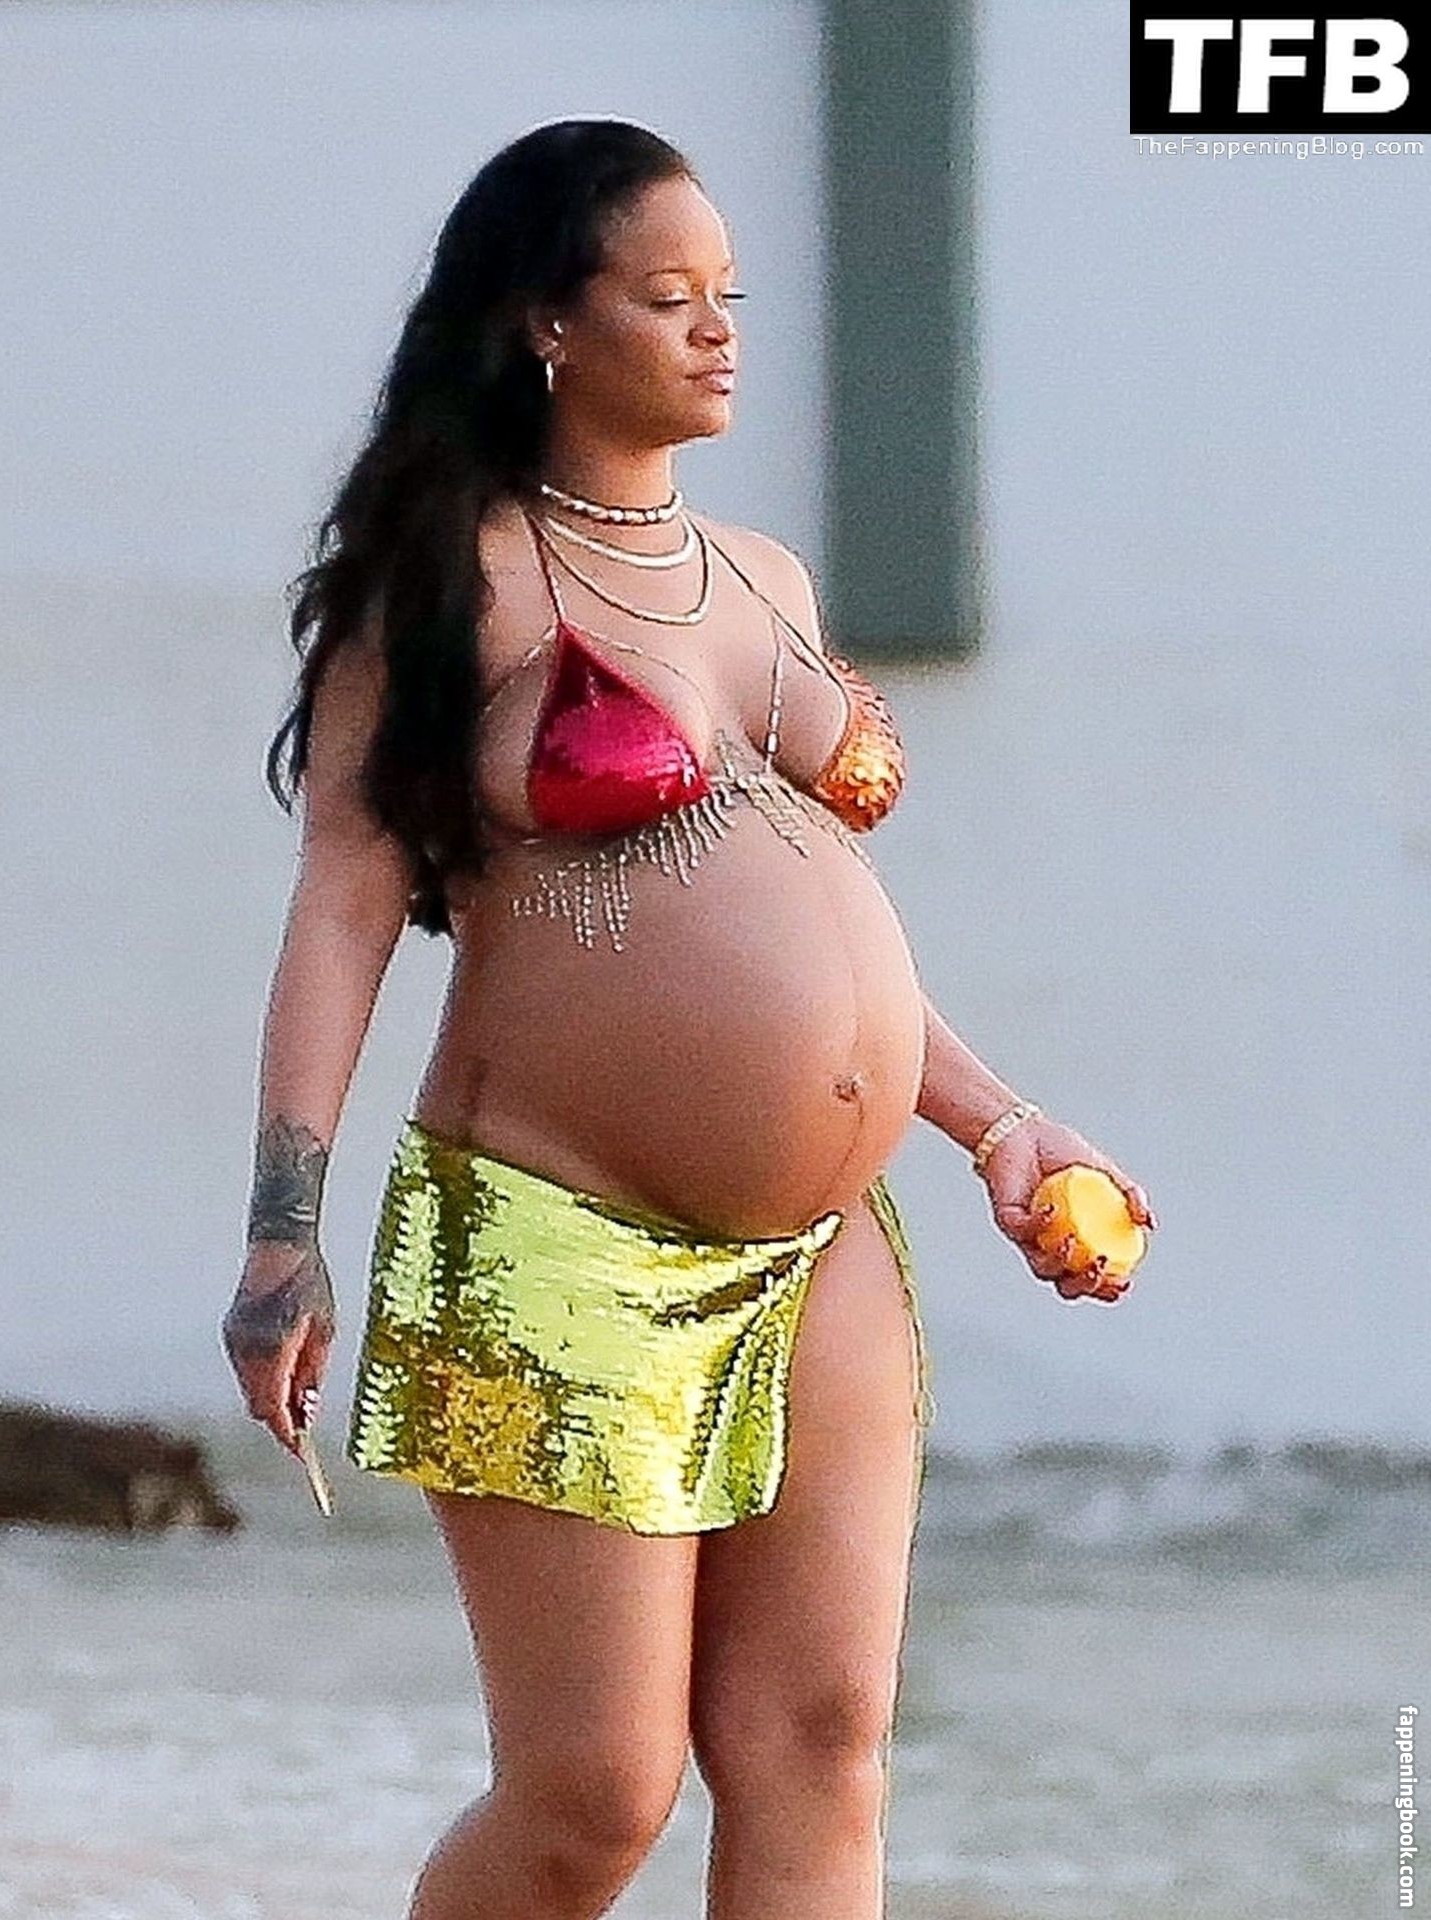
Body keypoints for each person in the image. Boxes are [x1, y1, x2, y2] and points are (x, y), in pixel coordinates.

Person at [220, 118, 1157, 1920]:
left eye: (728, 295)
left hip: (825, 1244)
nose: (720, 330)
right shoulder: (454, 577)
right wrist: (283, 1232)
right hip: (560, 1227)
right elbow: (344, 896)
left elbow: (808, 920)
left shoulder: (763, 579)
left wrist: (994, 1119)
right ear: (545, 324)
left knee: (822, 1747)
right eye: (669, 297)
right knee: (595, 1797)